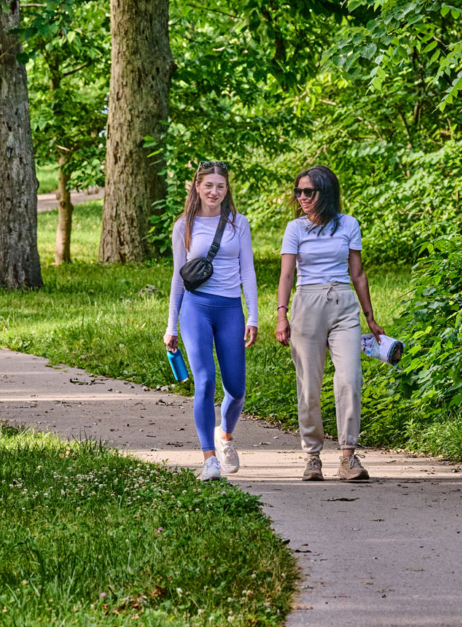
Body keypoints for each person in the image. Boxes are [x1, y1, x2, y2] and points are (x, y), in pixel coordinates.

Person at [274, 165, 384, 482]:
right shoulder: (295, 229)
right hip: (306, 305)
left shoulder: (349, 224)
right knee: (309, 387)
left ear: (326, 192)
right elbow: (286, 275)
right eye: (298, 192)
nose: (302, 197)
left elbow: (358, 273)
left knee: (350, 378)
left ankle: (348, 456)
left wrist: (370, 317)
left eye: (308, 191)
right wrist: (281, 315)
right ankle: (312, 457)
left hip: (343, 304)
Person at [164, 161, 260, 481]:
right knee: (204, 381)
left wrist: (253, 316)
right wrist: (171, 325)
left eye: (220, 186)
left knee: (236, 388)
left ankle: (225, 436)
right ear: (197, 187)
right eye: (208, 185)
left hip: (231, 309)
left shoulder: (238, 224)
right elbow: (178, 279)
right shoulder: (184, 226)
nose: (214, 192)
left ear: (227, 189)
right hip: (196, 309)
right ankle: (209, 459)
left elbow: (248, 272)